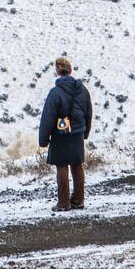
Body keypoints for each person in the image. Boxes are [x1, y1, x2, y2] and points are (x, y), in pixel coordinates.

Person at [38, 56, 93, 212]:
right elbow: (89, 112)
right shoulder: (83, 90)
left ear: (58, 71)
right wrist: (85, 132)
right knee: (77, 166)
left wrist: (43, 139)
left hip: (60, 134)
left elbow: (47, 117)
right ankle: (78, 200)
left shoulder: (55, 92)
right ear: (70, 70)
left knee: (62, 166)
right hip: (77, 134)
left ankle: (63, 203)